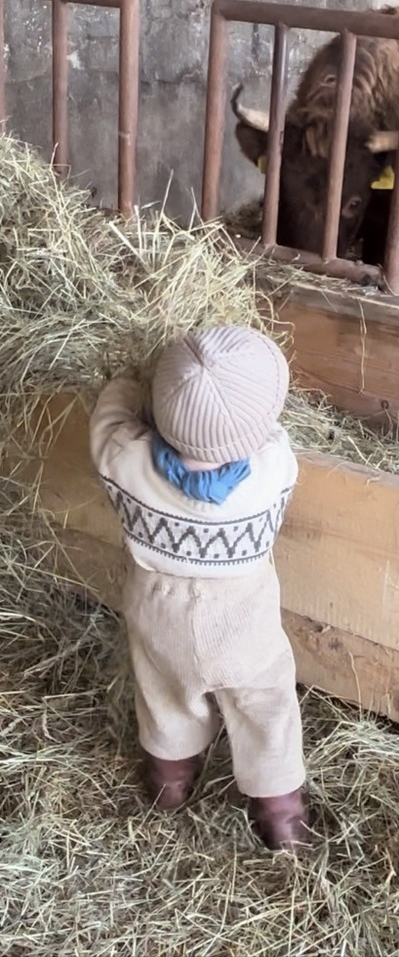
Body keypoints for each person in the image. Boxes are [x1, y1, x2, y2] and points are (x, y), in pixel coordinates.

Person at [89, 324, 309, 852]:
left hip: (158, 618)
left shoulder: (124, 460)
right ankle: (281, 816)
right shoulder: (273, 470)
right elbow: (269, 432)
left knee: (163, 696)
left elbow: (107, 420)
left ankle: (168, 785)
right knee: (267, 707)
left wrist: (134, 381)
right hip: (243, 627)